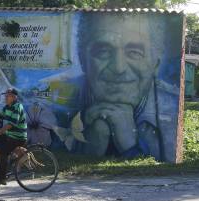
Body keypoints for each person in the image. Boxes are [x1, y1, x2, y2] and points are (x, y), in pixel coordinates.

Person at [77, 13, 180, 161]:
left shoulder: (171, 111)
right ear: (82, 60)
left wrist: (131, 147)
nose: (119, 68)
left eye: (134, 53)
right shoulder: (55, 103)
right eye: (103, 52)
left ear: (155, 64)